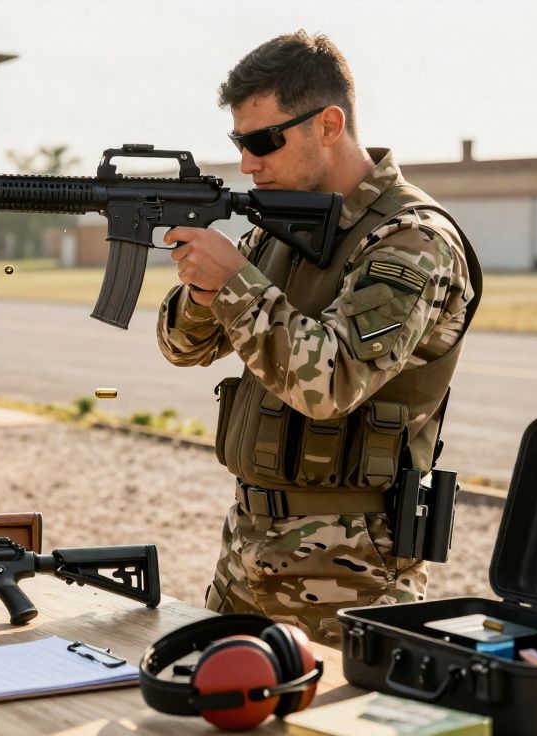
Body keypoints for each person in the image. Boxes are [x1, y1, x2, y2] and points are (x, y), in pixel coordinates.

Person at [154, 32, 482, 644]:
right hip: (247, 552)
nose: (248, 163)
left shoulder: (412, 239)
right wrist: (204, 291)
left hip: (352, 571)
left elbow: (329, 383)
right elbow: (182, 347)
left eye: (263, 141)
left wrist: (233, 282)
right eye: (239, 143)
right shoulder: (281, 226)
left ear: (328, 124)